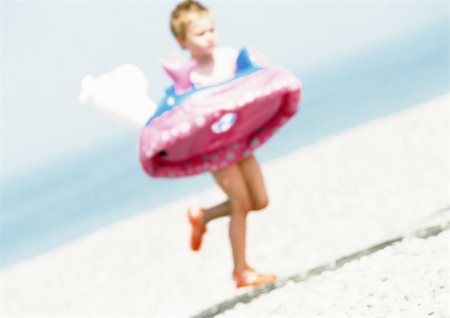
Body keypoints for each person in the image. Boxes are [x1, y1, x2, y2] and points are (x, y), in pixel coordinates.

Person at [169, 0, 277, 288]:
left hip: (241, 140)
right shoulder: (189, 79)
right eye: (200, 34)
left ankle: (203, 216)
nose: (210, 37)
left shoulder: (228, 58)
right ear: (183, 41)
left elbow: (252, 81)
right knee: (241, 204)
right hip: (215, 150)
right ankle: (242, 271)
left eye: (211, 30)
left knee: (260, 200)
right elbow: (181, 115)